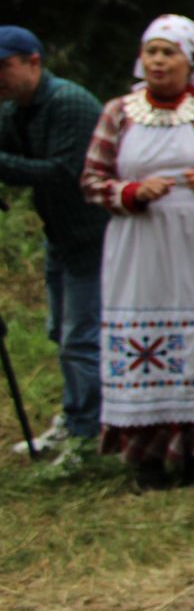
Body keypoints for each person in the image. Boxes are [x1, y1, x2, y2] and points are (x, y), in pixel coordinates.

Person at [79, 16, 194, 487]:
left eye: (168, 53)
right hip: (141, 243)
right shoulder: (119, 111)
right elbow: (92, 181)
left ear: (191, 61)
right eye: (151, 52)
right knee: (144, 335)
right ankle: (146, 456)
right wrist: (131, 192)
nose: (157, 61)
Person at [0, 26, 105, 456]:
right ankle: (77, 417)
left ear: (34, 62)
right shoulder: (14, 109)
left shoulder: (70, 103)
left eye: (4, 66)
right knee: (59, 332)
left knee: (81, 336)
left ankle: (88, 435)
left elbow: (64, 174)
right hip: (57, 236)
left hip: (91, 235)